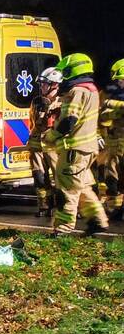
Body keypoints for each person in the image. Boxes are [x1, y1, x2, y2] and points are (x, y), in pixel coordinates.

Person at [43, 53, 109, 235]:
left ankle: (63, 228)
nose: (62, 77)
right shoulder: (92, 90)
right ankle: (97, 220)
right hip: (87, 149)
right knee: (82, 186)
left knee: (66, 189)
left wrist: (51, 135)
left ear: (71, 71)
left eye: (64, 72)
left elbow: (69, 121)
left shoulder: (76, 92)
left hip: (73, 150)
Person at [27, 67, 63, 216]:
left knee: (59, 178)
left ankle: (63, 207)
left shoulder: (63, 102)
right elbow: (32, 122)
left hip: (54, 147)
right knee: (39, 177)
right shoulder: (37, 102)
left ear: (54, 85)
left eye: (44, 84)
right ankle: (44, 206)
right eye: (41, 83)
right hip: (37, 146)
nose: (41, 86)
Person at [101, 58, 124, 219]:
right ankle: (116, 208)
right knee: (113, 177)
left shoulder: (113, 99)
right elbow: (103, 116)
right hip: (116, 144)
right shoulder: (116, 95)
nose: (118, 83)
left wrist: (111, 104)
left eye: (119, 79)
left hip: (118, 144)